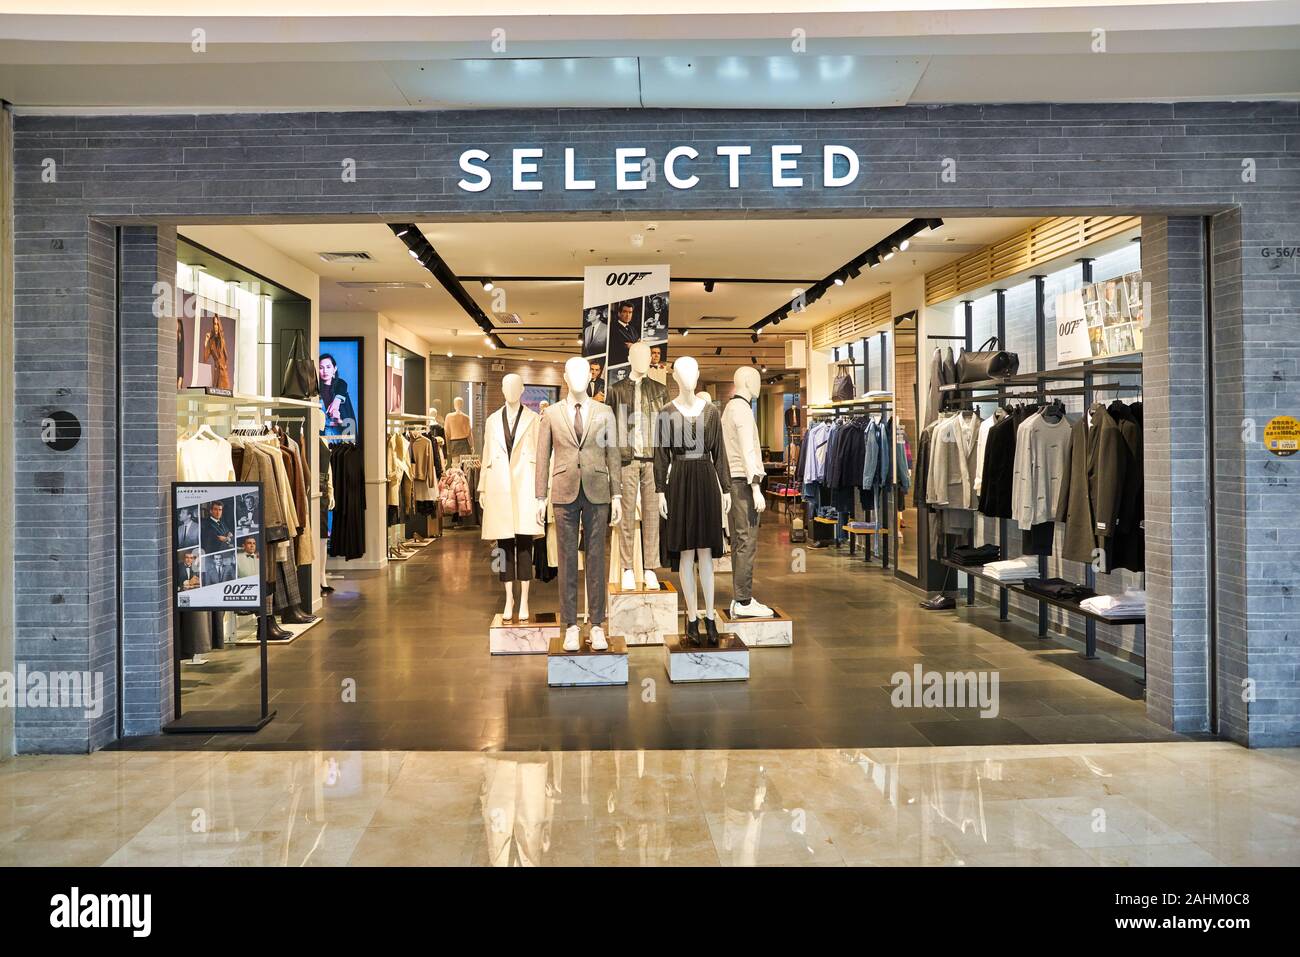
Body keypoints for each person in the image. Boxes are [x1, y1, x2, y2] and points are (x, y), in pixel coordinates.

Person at [319, 353, 357, 435]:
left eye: (328, 367)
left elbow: (351, 425)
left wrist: (339, 420)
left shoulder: (341, 391)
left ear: (334, 369)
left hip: (339, 439)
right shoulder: (315, 391)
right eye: (321, 368)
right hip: (319, 438)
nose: (325, 371)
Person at [202, 317, 231, 391]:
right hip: (217, 372)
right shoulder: (211, 342)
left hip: (223, 372)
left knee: (225, 396)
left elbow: (225, 357)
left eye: (217, 324)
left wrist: (224, 366)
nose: (216, 326)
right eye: (214, 324)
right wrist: (206, 341)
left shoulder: (222, 340)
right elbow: (205, 358)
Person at [608, 300, 641, 367]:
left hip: (633, 363)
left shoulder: (632, 328)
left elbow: (638, 342)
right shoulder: (612, 327)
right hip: (619, 363)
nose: (628, 315)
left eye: (630, 312)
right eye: (625, 312)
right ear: (619, 313)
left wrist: (632, 345)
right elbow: (615, 346)